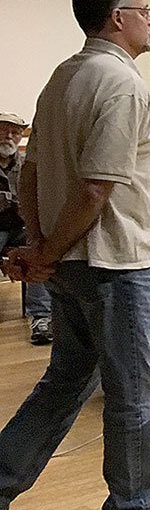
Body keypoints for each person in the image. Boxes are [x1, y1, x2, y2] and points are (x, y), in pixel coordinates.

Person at [0, 0, 150, 510]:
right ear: (118, 17)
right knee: (133, 389)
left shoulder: (63, 76)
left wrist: (42, 248)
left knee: (65, 383)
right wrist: (47, 252)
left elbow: (33, 172)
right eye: (146, 8)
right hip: (112, 264)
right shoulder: (121, 84)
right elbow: (94, 190)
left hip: (73, 262)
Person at [0, 112, 53, 344]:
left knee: (39, 249)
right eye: (3, 131)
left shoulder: (28, 166)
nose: (8, 137)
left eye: (14, 132)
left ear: (22, 136)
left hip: (21, 227)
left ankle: (41, 318)